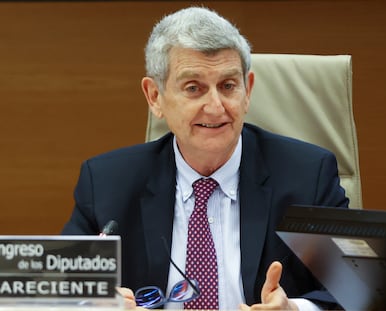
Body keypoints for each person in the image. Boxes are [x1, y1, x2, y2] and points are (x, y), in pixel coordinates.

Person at [62, 6, 349, 310]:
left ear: (247, 90)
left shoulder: (307, 175)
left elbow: (356, 292)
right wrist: (92, 305)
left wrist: (296, 309)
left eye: (227, 86)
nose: (215, 107)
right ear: (155, 97)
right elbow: (58, 289)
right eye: (193, 88)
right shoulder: (108, 183)